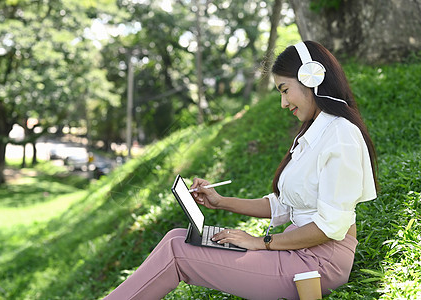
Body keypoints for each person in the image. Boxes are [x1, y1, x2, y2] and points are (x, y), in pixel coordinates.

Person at [104, 40, 378, 300]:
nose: (284, 103)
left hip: (318, 262)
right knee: (178, 236)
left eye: (284, 90)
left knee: (178, 252)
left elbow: (330, 227)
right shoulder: (314, 134)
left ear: (311, 77)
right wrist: (221, 202)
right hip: (299, 249)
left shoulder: (340, 135)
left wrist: (263, 242)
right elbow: (285, 205)